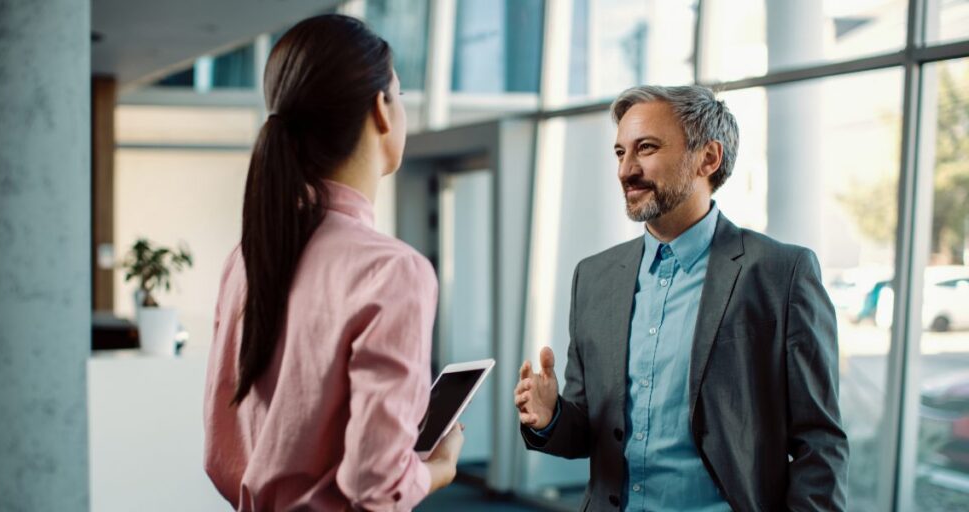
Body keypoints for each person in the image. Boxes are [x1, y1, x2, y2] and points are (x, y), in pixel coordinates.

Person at [513, 85, 848, 511]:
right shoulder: (594, 277)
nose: (625, 170)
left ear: (708, 158)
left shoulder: (781, 273)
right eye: (620, 153)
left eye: (646, 148)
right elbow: (590, 432)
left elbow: (820, 441)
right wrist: (551, 416)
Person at [203, 14, 463, 511]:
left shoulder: (244, 259)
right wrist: (435, 471)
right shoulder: (393, 272)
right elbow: (375, 486)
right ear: (380, 111)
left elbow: (220, 456)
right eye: (401, 96)